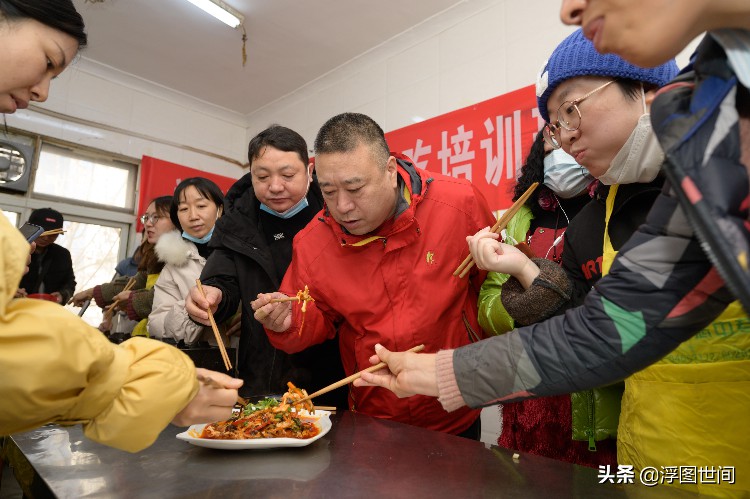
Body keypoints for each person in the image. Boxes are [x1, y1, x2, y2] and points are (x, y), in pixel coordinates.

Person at [356, 5, 750, 496]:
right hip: (660, 465)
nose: (564, 138)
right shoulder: (707, 155)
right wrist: (442, 370)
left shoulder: (716, 141)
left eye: (572, 110)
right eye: (555, 125)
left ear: (645, 88)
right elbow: (612, 329)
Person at [0, 0, 240, 453]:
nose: (44, 93)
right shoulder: (172, 260)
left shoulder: (237, 256)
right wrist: (157, 375)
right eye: (48, 61)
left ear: (222, 210)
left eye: (200, 205)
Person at [250, 112, 496, 438]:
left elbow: (493, 285)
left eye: (354, 188)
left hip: (455, 406)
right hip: (374, 415)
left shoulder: (457, 202)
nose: (342, 206)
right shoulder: (313, 242)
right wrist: (285, 322)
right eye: (328, 191)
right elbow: (312, 317)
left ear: (390, 171)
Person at [185, 125, 345, 406]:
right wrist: (212, 296)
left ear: (309, 171)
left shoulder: (337, 214)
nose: (275, 186)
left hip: (327, 368)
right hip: (259, 367)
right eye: (262, 176)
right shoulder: (237, 221)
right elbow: (221, 278)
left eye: (287, 175)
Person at [478, 131, 611, 467]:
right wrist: (521, 311)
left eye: (568, 145)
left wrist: (531, 281)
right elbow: (488, 303)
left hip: (594, 384)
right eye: (550, 150)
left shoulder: (610, 206)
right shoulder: (520, 217)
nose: (561, 156)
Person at [70, 196, 175, 337]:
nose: (148, 224)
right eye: (146, 217)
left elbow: (168, 298)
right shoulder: (155, 257)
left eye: (156, 217)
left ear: (178, 220)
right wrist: (92, 292)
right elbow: (134, 283)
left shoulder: (185, 257)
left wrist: (132, 299)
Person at [148, 178, 228, 345]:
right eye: (184, 209)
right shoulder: (174, 264)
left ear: (220, 209)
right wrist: (191, 309)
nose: (193, 216)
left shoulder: (242, 251)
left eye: (201, 206)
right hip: (200, 362)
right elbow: (157, 327)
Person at [16, 207, 76, 304]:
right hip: (13, 309)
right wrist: (9, 291)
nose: (46, 237)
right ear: (29, 228)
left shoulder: (63, 254)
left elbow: (69, 283)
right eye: (42, 232)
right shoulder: (12, 249)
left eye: (53, 234)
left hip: (48, 311)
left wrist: (62, 295)